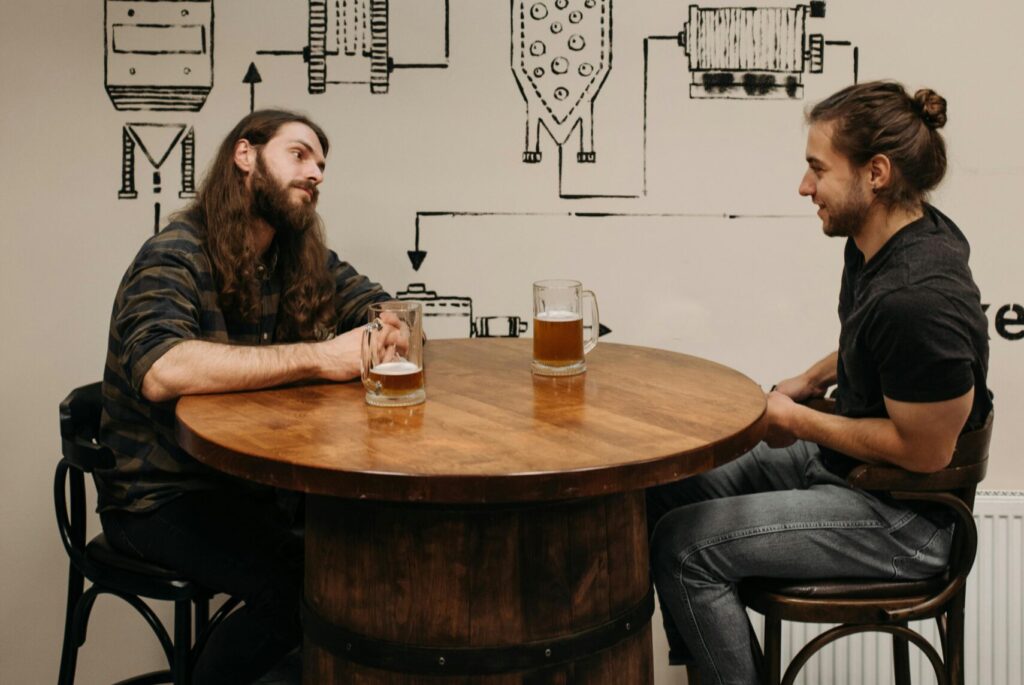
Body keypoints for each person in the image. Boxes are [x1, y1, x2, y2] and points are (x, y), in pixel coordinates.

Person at [647, 81, 993, 685]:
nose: (804, 186)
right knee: (669, 486)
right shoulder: (883, 241)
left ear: (876, 173)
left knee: (683, 546)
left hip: (909, 519)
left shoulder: (919, 298)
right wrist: (809, 378)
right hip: (848, 473)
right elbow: (879, 345)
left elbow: (927, 450)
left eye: (817, 169)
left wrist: (798, 421)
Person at [96, 110, 392, 684]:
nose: (316, 174)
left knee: (364, 547)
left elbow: (376, 302)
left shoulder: (294, 255)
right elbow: (160, 367)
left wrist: (390, 325)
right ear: (245, 155)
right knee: (296, 585)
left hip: (249, 484)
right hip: (159, 495)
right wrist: (319, 357)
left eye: (322, 165)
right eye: (299, 155)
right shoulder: (176, 252)